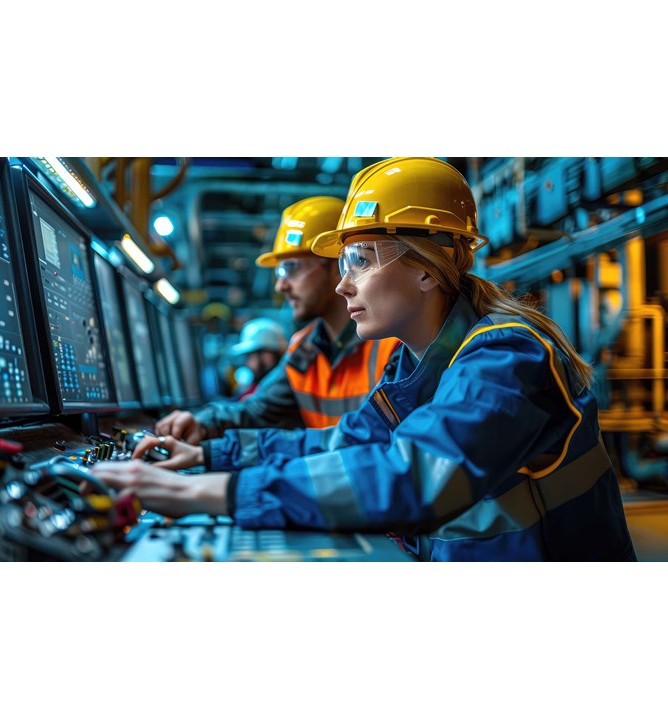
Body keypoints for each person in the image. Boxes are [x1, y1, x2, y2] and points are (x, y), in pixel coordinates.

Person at [94, 157, 635, 561]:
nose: (344, 281)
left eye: (359, 258)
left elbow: (416, 474)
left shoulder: (505, 355)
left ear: (427, 268)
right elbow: (343, 443)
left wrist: (213, 494)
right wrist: (211, 459)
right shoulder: (412, 365)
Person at [154, 195, 401, 444]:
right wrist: (202, 423)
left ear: (336, 264)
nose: (281, 285)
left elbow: (370, 442)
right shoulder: (303, 351)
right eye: (278, 272)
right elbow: (255, 411)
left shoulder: (392, 343)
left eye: (291, 268)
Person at [228, 317, 288, 400]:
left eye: (250, 356)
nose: (247, 363)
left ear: (268, 355)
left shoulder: (284, 391)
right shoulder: (256, 389)